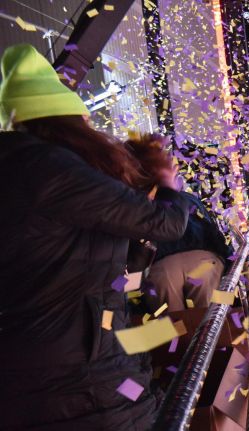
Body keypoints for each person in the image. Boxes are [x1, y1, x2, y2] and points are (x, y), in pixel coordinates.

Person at [0, 44, 190, 430]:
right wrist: (171, 187)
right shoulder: (49, 169)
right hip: (83, 384)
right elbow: (166, 224)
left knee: (145, 392)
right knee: (145, 398)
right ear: (67, 121)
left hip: (35, 377)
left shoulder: (17, 170)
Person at [129, 139, 233, 313]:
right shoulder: (188, 199)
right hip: (205, 261)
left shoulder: (133, 203)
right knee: (212, 326)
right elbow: (213, 233)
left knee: (175, 331)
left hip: (158, 267)